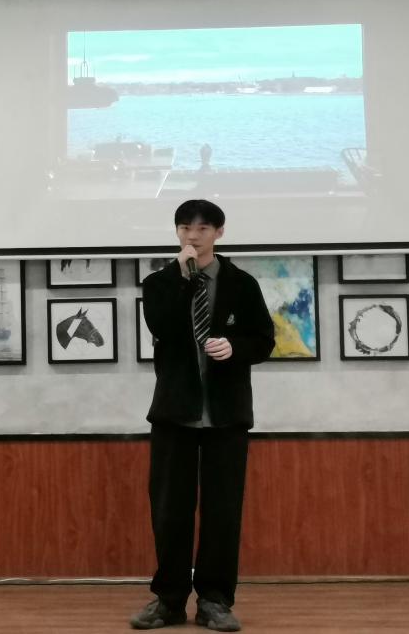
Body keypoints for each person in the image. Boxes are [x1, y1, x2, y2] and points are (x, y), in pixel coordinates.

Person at [130, 199, 275, 632]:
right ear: (177, 232)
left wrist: (235, 347)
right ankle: (169, 600)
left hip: (226, 416)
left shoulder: (242, 283)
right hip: (174, 413)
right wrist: (182, 278)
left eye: (203, 228)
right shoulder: (159, 282)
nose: (193, 236)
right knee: (169, 511)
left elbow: (263, 340)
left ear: (219, 233)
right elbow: (163, 326)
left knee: (222, 512)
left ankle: (214, 600)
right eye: (185, 228)